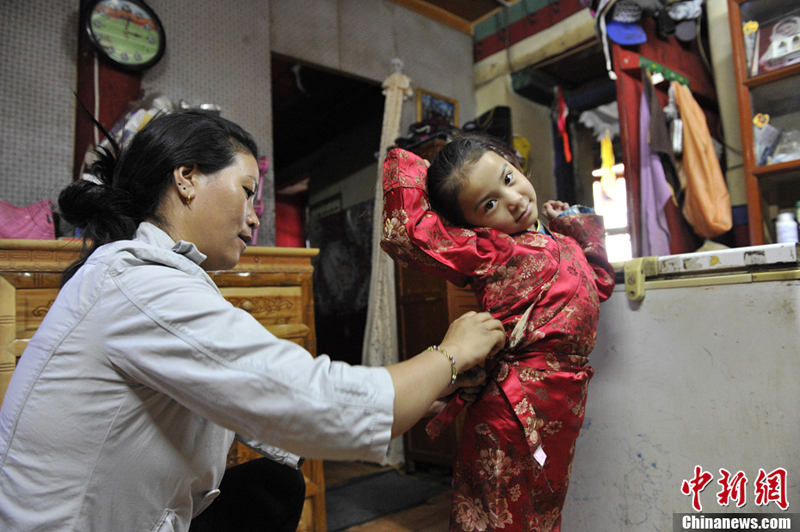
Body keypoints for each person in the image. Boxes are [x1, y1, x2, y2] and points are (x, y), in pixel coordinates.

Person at [0, 112, 506, 532]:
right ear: (187, 177)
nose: (254, 216)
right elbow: (312, 403)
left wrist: (424, 395)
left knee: (275, 486)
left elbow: (275, 420)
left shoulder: (163, 278)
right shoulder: (141, 285)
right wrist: (450, 352)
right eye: (246, 190)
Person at [381, 134, 616, 531]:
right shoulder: (492, 250)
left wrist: (566, 222)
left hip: (562, 401)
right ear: (469, 225)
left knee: (542, 511)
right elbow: (406, 231)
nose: (512, 200)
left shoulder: (558, 242)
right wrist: (411, 164)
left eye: (508, 178)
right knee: (496, 513)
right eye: (488, 204)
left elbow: (600, 282)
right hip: (511, 407)